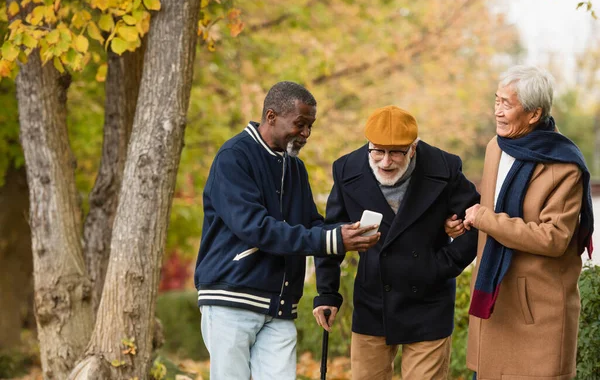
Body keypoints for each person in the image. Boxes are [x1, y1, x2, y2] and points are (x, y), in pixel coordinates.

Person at [193, 81, 380, 380]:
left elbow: (311, 226)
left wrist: (346, 234)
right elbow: (255, 228)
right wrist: (329, 238)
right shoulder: (234, 157)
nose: (306, 133)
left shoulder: (295, 168)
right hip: (231, 299)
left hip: (280, 307)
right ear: (271, 117)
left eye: (310, 126)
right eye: (300, 124)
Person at [313, 105, 480, 380]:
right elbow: (333, 233)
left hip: (429, 301)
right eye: (377, 151)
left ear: (413, 148)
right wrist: (327, 293)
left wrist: (441, 266)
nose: (385, 161)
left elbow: (477, 223)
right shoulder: (346, 169)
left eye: (396, 152)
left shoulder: (444, 167)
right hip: (373, 299)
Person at [449, 65, 593, 380]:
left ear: (533, 114)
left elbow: (553, 239)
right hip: (494, 301)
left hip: (538, 314)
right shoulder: (494, 149)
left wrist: (485, 218)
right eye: (496, 101)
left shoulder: (563, 165)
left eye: (507, 104)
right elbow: (488, 210)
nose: (498, 112)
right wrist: (464, 221)